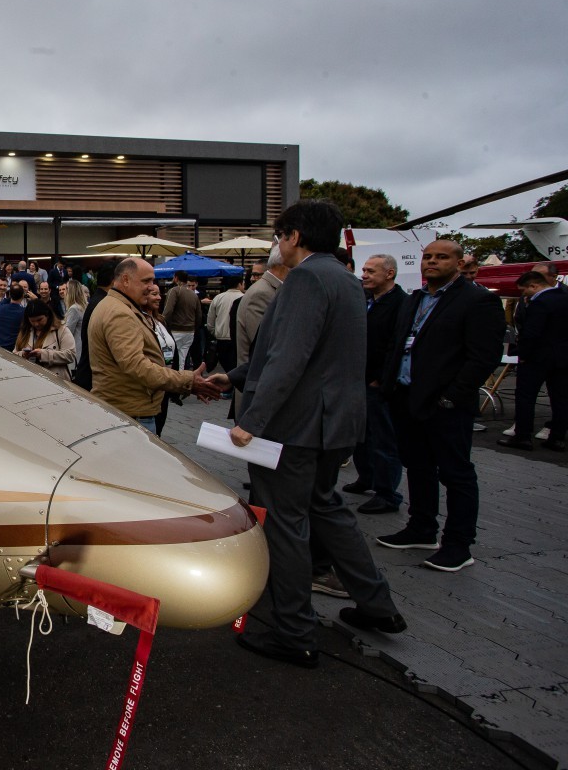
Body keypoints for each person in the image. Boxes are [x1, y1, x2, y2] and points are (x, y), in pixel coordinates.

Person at [208, 200, 405, 668]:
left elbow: (288, 358)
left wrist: (250, 422)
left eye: (280, 235)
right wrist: (233, 377)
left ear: (295, 236)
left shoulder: (307, 279)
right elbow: (309, 352)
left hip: (295, 427)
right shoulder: (344, 279)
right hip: (333, 423)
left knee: (286, 522)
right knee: (328, 508)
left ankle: (295, 631)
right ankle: (377, 605)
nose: (278, 244)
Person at [376, 239, 505, 572]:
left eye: (442, 257)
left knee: (456, 472)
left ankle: (458, 545)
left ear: (459, 263)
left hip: (445, 403)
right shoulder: (415, 299)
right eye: (428, 256)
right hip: (406, 396)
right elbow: (397, 344)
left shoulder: (477, 301)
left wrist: (452, 396)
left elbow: (483, 356)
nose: (432, 262)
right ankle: (421, 527)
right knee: (417, 466)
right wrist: (388, 384)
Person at [89, 257, 218, 434]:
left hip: (127, 411)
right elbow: (136, 365)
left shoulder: (121, 307)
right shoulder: (120, 313)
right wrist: (186, 380)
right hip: (130, 414)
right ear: (125, 280)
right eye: (146, 281)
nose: (152, 286)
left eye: (152, 280)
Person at [344, 254, 408, 514]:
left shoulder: (401, 303)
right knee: (360, 435)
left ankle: (387, 492)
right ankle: (367, 477)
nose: (365, 275)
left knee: (383, 438)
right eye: (364, 270)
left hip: (377, 384)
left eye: (371, 271)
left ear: (389, 273)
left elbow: (397, 344)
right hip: (357, 379)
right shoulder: (365, 300)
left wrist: (381, 378)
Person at [497, 270, 566, 452]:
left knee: (525, 397)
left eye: (524, 290)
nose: (524, 294)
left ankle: (523, 435)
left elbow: (532, 333)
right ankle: (557, 437)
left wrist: (523, 354)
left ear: (533, 286)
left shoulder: (540, 303)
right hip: (562, 357)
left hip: (537, 357)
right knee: (560, 398)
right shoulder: (564, 298)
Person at [235, 245, 288, 366]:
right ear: (283, 264)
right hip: (258, 374)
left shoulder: (270, 289)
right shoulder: (262, 293)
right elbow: (263, 342)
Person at [140, 284, 179, 436]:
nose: (159, 298)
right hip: (152, 383)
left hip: (165, 383)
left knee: (160, 426)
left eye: (159, 294)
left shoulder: (160, 321)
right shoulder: (138, 321)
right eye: (154, 294)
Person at [71, 262, 114, 390]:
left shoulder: (97, 300)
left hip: (88, 371)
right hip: (94, 376)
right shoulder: (103, 304)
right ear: (114, 281)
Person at [14, 299, 76, 380]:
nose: (36, 324)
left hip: (56, 381)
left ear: (48, 315)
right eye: (32, 321)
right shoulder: (25, 332)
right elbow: (13, 355)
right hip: (29, 380)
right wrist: (23, 354)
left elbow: (70, 355)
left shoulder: (61, 330)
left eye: (39, 320)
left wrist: (43, 354)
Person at [205, 274, 243, 374]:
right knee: (236, 366)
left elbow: (210, 320)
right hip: (237, 338)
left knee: (226, 365)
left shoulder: (218, 298)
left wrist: (215, 332)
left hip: (221, 338)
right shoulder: (244, 297)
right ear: (240, 284)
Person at [161, 270, 199, 370]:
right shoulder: (193, 295)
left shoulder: (174, 291)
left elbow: (168, 310)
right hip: (190, 331)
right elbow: (198, 315)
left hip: (175, 330)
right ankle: (182, 378)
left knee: (169, 357)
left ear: (176, 278)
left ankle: (172, 378)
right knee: (183, 358)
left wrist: (162, 323)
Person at [0, 283, 27, 351]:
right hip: (14, 348)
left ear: (10, 294)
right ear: (23, 295)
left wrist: (9, 297)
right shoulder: (24, 312)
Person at [63, 279, 89, 348]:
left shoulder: (74, 309)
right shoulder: (83, 306)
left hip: (76, 348)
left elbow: (67, 333)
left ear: (70, 292)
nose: (63, 292)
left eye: (66, 289)